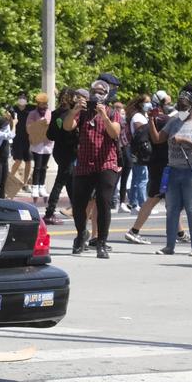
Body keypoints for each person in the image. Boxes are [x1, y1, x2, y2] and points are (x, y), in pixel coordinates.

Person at [151, 89, 192, 256]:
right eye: (179, 106)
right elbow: (157, 139)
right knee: (172, 208)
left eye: (184, 107)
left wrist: (185, 140)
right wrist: (151, 119)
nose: (181, 109)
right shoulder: (174, 120)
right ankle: (169, 246)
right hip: (174, 169)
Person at [64, 78, 121, 259]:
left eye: (101, 92)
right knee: (79, 204)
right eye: (94, 91)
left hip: (106, 163)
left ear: (106, 95)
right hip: (84, 163)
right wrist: (74, 110)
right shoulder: (82, 113)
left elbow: (115, 133)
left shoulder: (112, 112)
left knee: (103, 202)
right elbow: (67, 127)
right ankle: (81, 234)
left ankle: (101, 242)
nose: (97, 95)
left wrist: (103, 116)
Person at [125, 90, 174, 245]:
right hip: (162, 165)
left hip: (157, 164)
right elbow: (156, 139)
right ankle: (134, 231)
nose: (170, 107)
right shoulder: (161, 120)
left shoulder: (153, 119)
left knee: (170, 200)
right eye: (167, 103)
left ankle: (179, 233)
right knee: (156, 197)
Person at [42, 89, 79, 226]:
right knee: (61, 181)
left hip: (58, 150)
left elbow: (50, 135)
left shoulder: (55, 113)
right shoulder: (71, 114)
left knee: (69, 180)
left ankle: (77, 209)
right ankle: (49, 213)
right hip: (69, 151)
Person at [127, 94, 152, 212]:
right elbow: (142, 132)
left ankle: (134, 203)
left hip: (140, 150)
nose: (149, 104)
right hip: (139, 150)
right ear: (141, 103)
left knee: (138, 177)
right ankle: (142, 205)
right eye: (147, 102)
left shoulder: (142, 115)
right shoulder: (137, 117)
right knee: (142, 177)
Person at [26, 93, 53, 203]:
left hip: (47, 142)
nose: (44, 105)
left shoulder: (50, 113)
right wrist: (40, 123)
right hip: (37, 142)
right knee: (37, 166)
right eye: (42, 103)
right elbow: (29, 127)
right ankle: (35, 186)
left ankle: (42, 186)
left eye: (45, 103)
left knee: (43, 166)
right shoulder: (32, 113)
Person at [8, 92, 32, 195]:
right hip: (17, 138)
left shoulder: (31, 109)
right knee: (17, 160)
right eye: (20, 97)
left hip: (29, 138)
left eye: (24, 97)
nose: (22, 99)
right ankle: (10, 181)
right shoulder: (13, 110)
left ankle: (25, 184)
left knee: (29, 161)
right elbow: (9, 122)